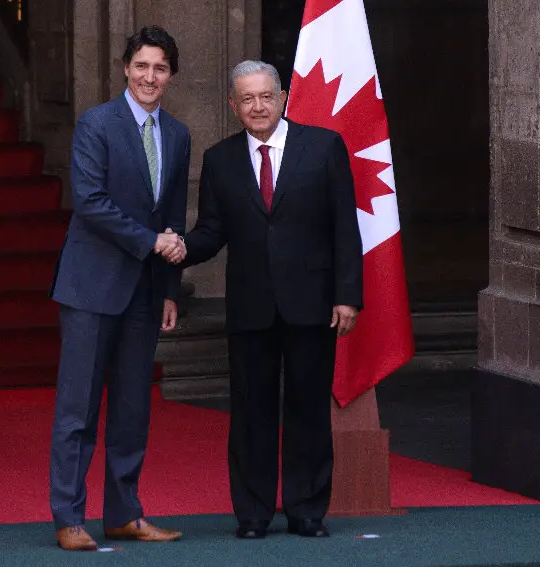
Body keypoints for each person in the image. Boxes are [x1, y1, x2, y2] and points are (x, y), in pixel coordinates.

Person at [181, 60, 362, 539]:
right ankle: (254, 514)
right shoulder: (220, 159)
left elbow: (345, 225)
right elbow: (211, 232)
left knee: (307, 410)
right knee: (250, 414)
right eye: (247, 99)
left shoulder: (322, 147)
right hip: (250, 308)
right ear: (233, 106)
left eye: (265, 96)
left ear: (282, 98)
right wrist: (176, 248)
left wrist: (347, 296)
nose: (257, 107)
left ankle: (306, 510)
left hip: (314, 303)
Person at [49, 25, 189, 551]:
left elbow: (172, 216)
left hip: (146, 293)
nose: (150, 76)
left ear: (170, 76)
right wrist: (151, 242)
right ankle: (68, 517)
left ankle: (124, 513)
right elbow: (90, 202)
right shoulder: (95, 124)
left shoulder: (177, 134)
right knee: (78, 409)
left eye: (160, 68)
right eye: (141, 66)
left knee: (133, 408)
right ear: (125, 68)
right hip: (91, 288)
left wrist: (171, 287)